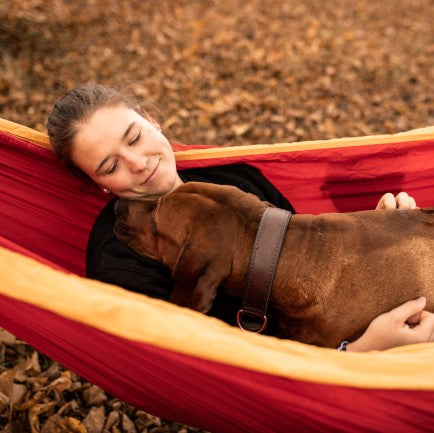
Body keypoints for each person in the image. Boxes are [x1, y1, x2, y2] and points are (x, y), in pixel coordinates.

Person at [46, 83, 434, 351]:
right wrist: (363, 350)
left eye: (134, 137)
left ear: (151, 119)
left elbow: (306, 273)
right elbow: (210, 378)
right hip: (315, 376)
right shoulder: (119, 263)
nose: (137, 162)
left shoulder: (236, 179)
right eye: (110, 165)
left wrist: (378, 240)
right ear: (95, 181)